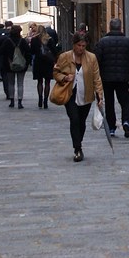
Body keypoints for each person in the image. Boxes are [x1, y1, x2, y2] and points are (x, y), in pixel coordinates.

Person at [53, 28, 103, 162]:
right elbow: (56, 72)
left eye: (83, 46)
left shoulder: (91, 58)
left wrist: (100, 96)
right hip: (70, 93)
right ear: (73, 44)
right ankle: (77, 148)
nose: (81, 48)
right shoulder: (65, 57)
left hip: (86, 94)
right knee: (74, 119)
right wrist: (64, 78)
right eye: (78, 45)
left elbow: (96, 78)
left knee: (81, 121)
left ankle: (78, 141)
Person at [95, 17, 129, 137]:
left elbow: (97, 59)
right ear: (120, 27)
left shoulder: (102, 42)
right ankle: (126, 121)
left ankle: (112, 127)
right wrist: (127, 68)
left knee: (109, 102)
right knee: (125, 101)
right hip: (122, 77)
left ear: (110, 27)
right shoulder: (128, 42)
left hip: (107, 78)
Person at [29, 24, 59, 109]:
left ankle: (40, 99)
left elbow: (32, 51)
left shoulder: (34, 39)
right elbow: (54, 51)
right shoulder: (49, 39)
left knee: (39, 82)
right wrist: (55, 60)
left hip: (38, 62)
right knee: (47, 82)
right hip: (48, 62)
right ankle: (45, 101)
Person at [2, 23, 31, 108]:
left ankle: (11, 101)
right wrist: (27, 63)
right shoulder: (23, 41)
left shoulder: (7, 41)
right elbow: (28, 52)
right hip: (21, 64)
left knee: (11, 83)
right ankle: (19, 101)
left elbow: (1, 52)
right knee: (20, 83)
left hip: (9, 65)